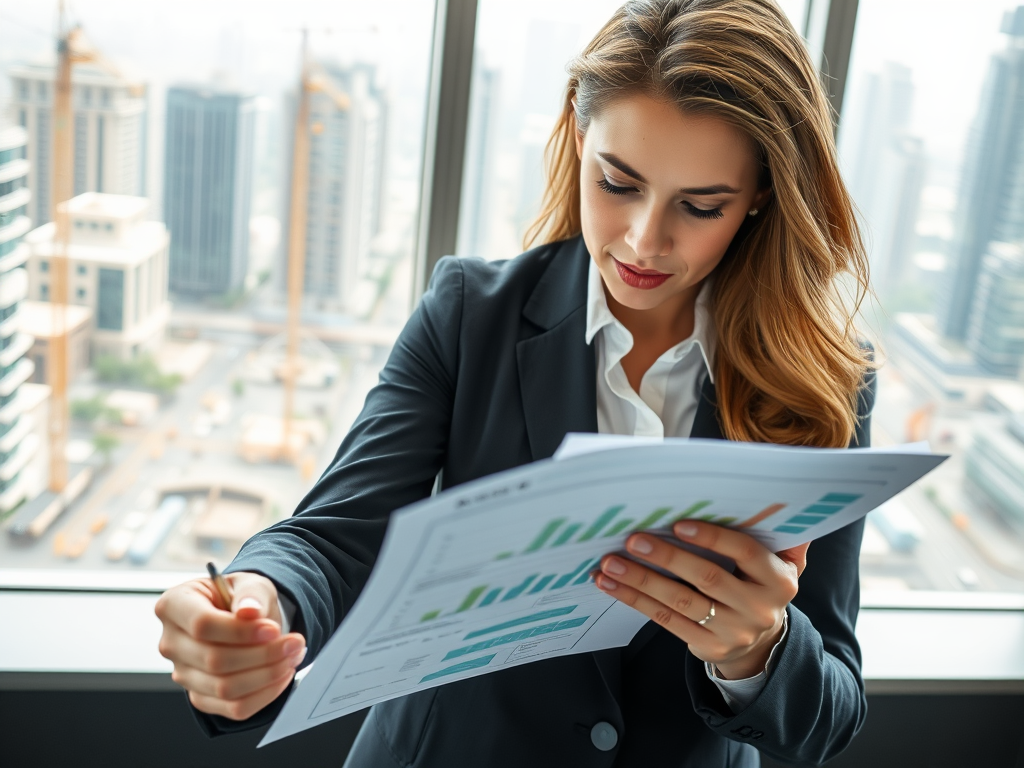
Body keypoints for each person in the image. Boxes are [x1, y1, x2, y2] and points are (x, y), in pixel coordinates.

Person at [155, 0, 876, 765]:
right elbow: (339, 533)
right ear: (576, 130)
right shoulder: (471, 315)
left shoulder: (822, 381)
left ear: (762, 193)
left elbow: (831, 714)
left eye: (700, 206)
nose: (643, 240)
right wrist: (261, 598)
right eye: (618, 183)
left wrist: (757, 652)